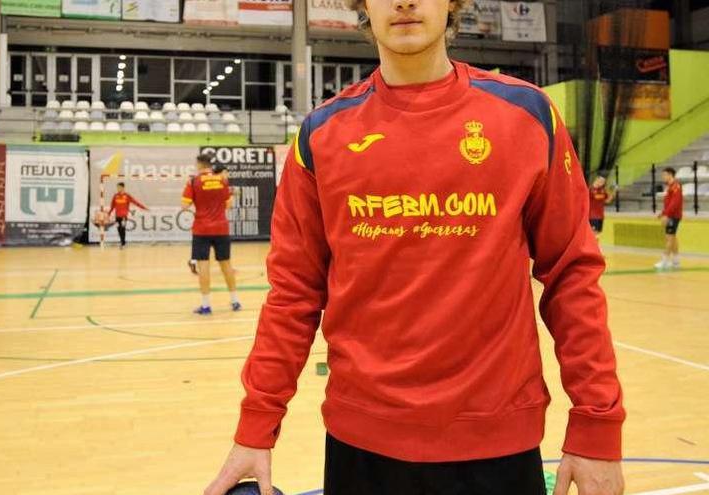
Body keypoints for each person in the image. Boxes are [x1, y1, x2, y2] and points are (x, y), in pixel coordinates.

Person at [204, 1, 625, 495]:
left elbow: (571, 273)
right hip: (362, 445)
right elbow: (293, 293)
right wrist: (255, 426)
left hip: (497, 444)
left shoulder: (527, 116)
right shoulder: (321, 135)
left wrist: (597, 426)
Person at [182, 152, 241, 315]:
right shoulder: (222, 180)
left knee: (203, 266)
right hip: (221, 228)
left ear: (199, 164)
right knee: (226, 264)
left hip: (201, 229)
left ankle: (206, 305)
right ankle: (235, 301)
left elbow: (184, 205)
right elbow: (228, 205)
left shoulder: (193, 181)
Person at [655, 166, 683, 270]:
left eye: (664, 175)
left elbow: (675, 203)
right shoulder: (669, 186)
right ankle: (676, 261)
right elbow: (668, 203)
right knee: (673, 238)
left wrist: (667, 215)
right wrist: (662, 213)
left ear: (670, 175)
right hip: (670, 214)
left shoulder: (676, 186)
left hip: (673, 216)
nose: (663, 177)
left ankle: (664, 261)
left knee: (669, 238)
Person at [107, 182, 147, 248]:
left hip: (124, 216)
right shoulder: (115, 196)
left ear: (123, 188)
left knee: (122, 228)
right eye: (117, 187)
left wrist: (144, 208)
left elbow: (136, 202)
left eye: (119, 187)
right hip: (117, 216)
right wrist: (109, 213)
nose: (118, 188)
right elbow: (112, 206)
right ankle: (123, 242)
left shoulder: (127, 196)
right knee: (118, 228)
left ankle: (123, 244)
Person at [589, 175, 615, 241]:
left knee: (598, 233)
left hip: (600, 216)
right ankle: (593, 249)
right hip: (592, 216)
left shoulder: (603, 190)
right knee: (593, 233)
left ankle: (596, 248)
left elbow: (607, 201)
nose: (602, 183)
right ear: (596, 180)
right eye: (601, 181)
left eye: (603, 182)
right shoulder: (590, 190)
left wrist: (612, 194)